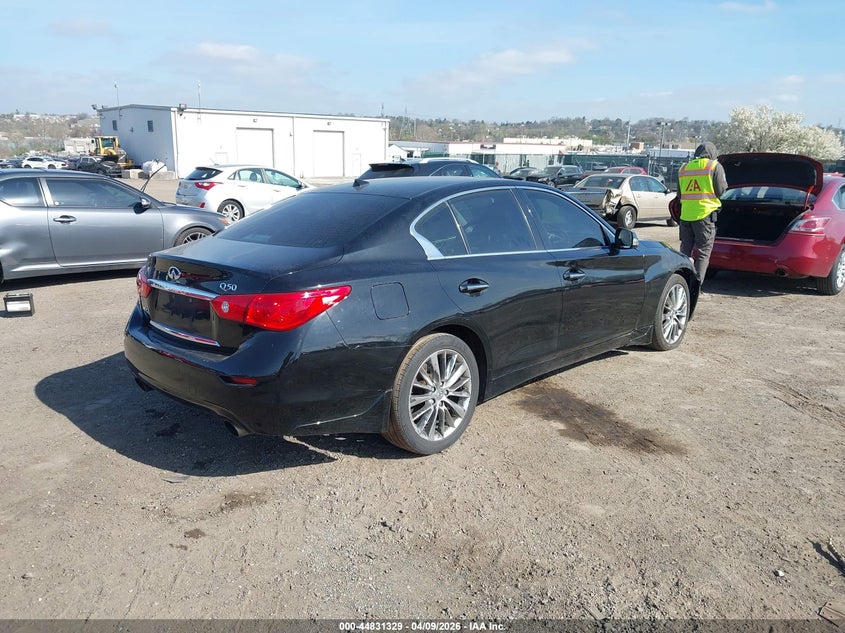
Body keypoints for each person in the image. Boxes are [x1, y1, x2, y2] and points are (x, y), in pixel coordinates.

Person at [677, 142, 728, 284]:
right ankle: (696, 288)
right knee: (702, 253)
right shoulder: (714, 166)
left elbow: (680, 194)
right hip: (704, 216)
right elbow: (721, 191)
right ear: (713, 154)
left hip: (685, 216)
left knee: (684, 252)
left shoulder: (683, 168)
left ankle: (681, 284)